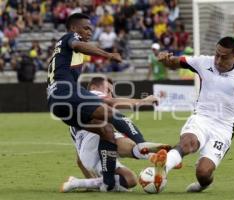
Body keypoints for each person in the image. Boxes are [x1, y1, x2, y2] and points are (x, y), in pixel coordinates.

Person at [149, 36, 234, 193]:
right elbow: (175, 62)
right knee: (188, 142)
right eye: (217, 54)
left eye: (224, 57)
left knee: (203, 172)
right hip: (201, 118)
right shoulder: (203, 62)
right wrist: (165, 59)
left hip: (224, 129)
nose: (218, 60)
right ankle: (162, 169)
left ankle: (203, 184)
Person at [47, 13, 166, 191]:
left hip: (56, 104)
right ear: (73, 28)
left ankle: (107, 183)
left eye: (91, 29)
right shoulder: (69, 39)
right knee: (109, 113)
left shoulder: (65, 54)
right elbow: (78, 44)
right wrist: (108, 55)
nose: (89, 32)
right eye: (86, 28)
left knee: (106, 130)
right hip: (65, 92)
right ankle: (141, 144)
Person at [61, 77, 165, 192]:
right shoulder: (91, 94)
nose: (110, 95)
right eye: (108, 90)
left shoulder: (77, 116)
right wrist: (143, 101)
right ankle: (147, 151)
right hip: (93, 144)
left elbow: (79, 160)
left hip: (90, 153)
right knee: (115, 118)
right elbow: (112, 102)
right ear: (94, 88)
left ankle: (78, 183)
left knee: (130, 180)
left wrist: (88, 181)